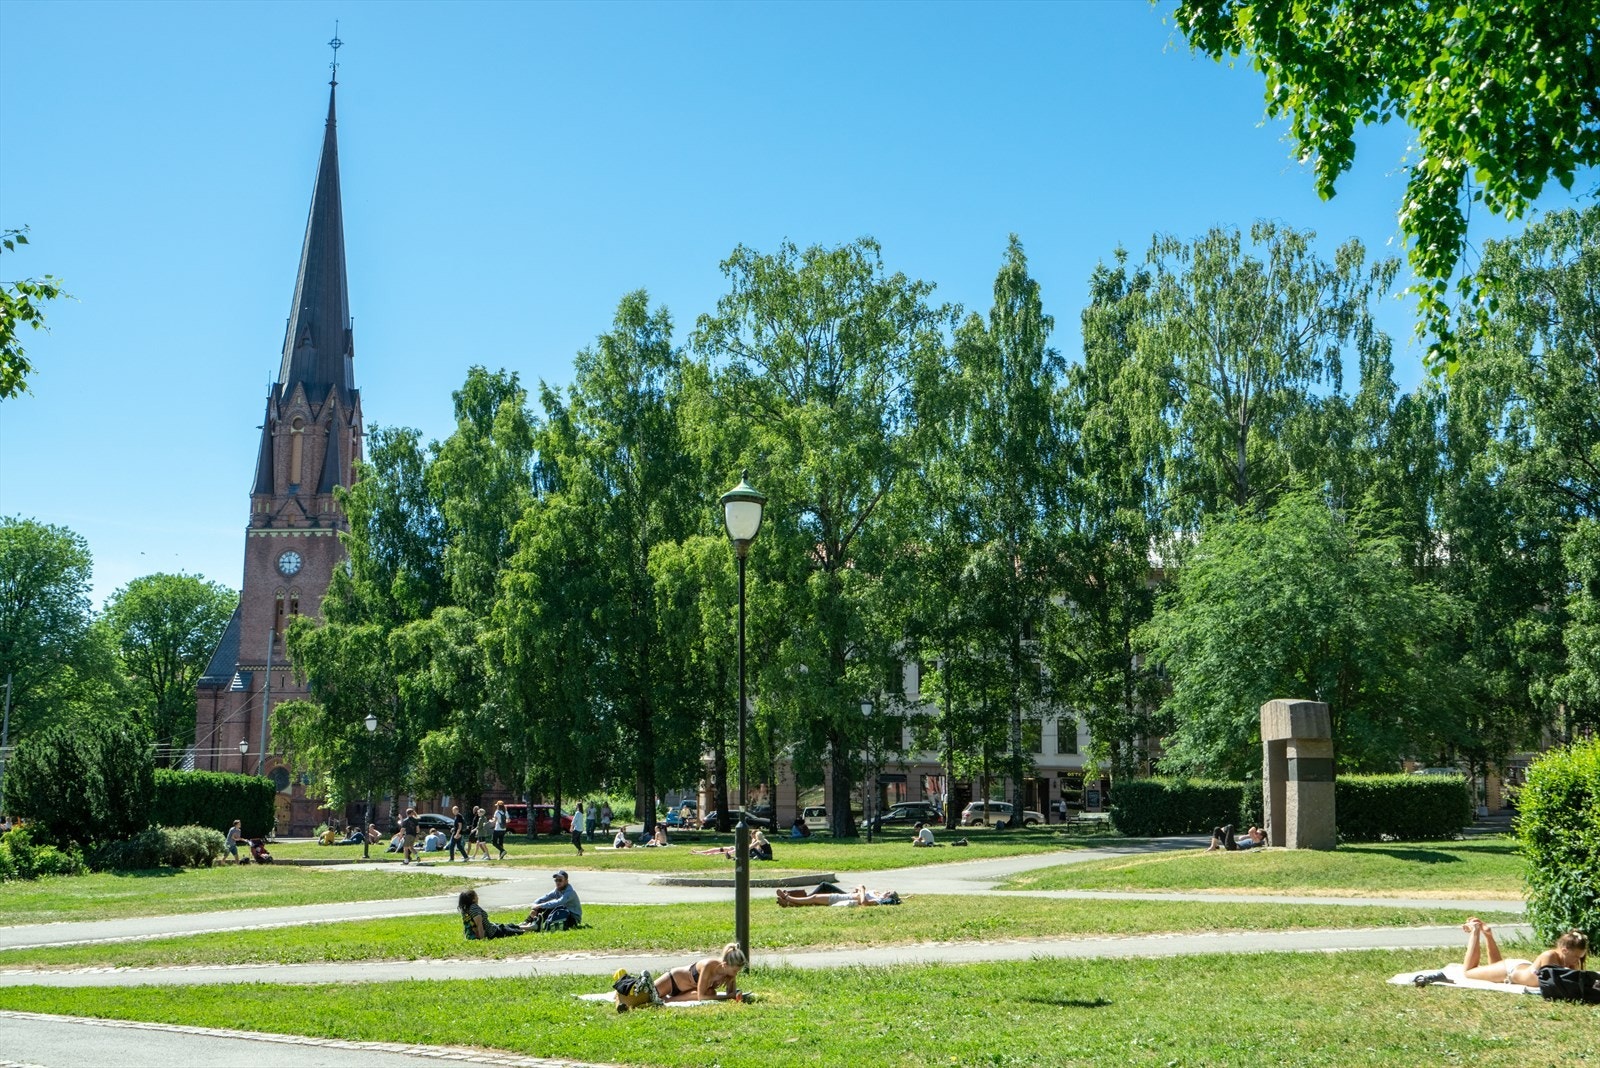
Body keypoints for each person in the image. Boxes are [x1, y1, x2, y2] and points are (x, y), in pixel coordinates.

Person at [1416, 918, 1589, 987]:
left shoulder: (1566, 961)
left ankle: (1489, 934)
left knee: (1493, 966)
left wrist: (1575, 967)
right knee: (1468, 972)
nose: (1576, 961)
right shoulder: (1549, 956)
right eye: (1575, 956)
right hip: (1510, 971)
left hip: (1520, 967)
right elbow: (1555, 983)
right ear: (1564, 950)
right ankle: (1476, 931)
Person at [654, 942, 748, 1003]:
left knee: (711, 993)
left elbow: (731, 994)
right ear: (725, 964)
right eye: (735, 971)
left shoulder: (729, 973)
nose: (736, 974)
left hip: (685, 992)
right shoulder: (709, 966)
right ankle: (669, 999)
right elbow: (702, 997)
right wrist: (727, 997)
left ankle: (670, 1000)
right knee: (645, 997)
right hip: (672, 981)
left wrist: (732, 994)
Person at [458, 889, 526, 941]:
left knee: (510, 926)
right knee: (517, 932)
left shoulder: (465, 910)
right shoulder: (474, 908)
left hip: (492, 927)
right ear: (473, 899)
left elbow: (466, 926)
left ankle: (527, 925)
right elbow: (479, 925)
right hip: (493, 933)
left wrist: (466, 937)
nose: (478, 898)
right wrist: (482, 940)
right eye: (476, 896)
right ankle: (531, 927)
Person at [776, 885, 902, 907]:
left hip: (845, 898)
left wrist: (862, 890)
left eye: (889, 893)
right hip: (848, 896)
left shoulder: (878, 900)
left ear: (888, 898)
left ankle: (789, 898)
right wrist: (860, 889)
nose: (886, 891)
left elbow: (864, 903)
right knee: (815, 901)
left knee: (814, 898)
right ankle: (789, 903)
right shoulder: (877, 894)